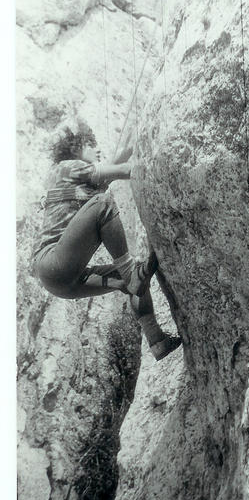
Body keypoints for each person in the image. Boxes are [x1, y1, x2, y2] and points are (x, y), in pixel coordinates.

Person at [32, 125, 181, 361]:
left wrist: (133, 145)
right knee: (103, 204)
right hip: (52, 262)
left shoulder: (75, 177)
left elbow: (110, 167)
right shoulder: (68, 166)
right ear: (77, 149)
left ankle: (157, 341)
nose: (97, 148)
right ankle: (130, 271)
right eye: (91, 144)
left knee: (131, 281)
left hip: (61, 280)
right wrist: (168, 166)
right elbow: (121, 170)